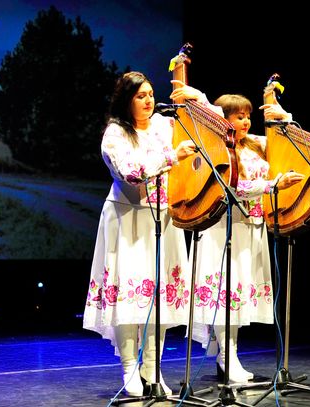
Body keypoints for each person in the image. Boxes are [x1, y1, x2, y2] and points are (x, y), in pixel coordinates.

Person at [82, 71, 221, 397]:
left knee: (159, 297)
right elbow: (131, 172)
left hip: (164, 220)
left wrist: (194, 95)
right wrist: (172, 156)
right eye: (140, 95)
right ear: (126, 100)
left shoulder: (162, 125)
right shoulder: (114, 134)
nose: (147, 100)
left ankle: (153, 368)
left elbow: (215, 125)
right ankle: (130, 367)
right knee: (130, 297)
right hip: (128, 220)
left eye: (150, 94)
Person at [192, 94, 305, 383]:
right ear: (224, 119)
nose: (244, 121)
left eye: (247, 116)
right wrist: (272, 184)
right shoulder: (218, 148)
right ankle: (227, 356)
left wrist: (284, 115)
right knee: (226, 295)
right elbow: (235, 186)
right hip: (224, 229)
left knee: (238, 296)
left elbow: (289, 146)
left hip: (252, 228)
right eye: (238, 116)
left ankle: (223, 351)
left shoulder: (255, 143)